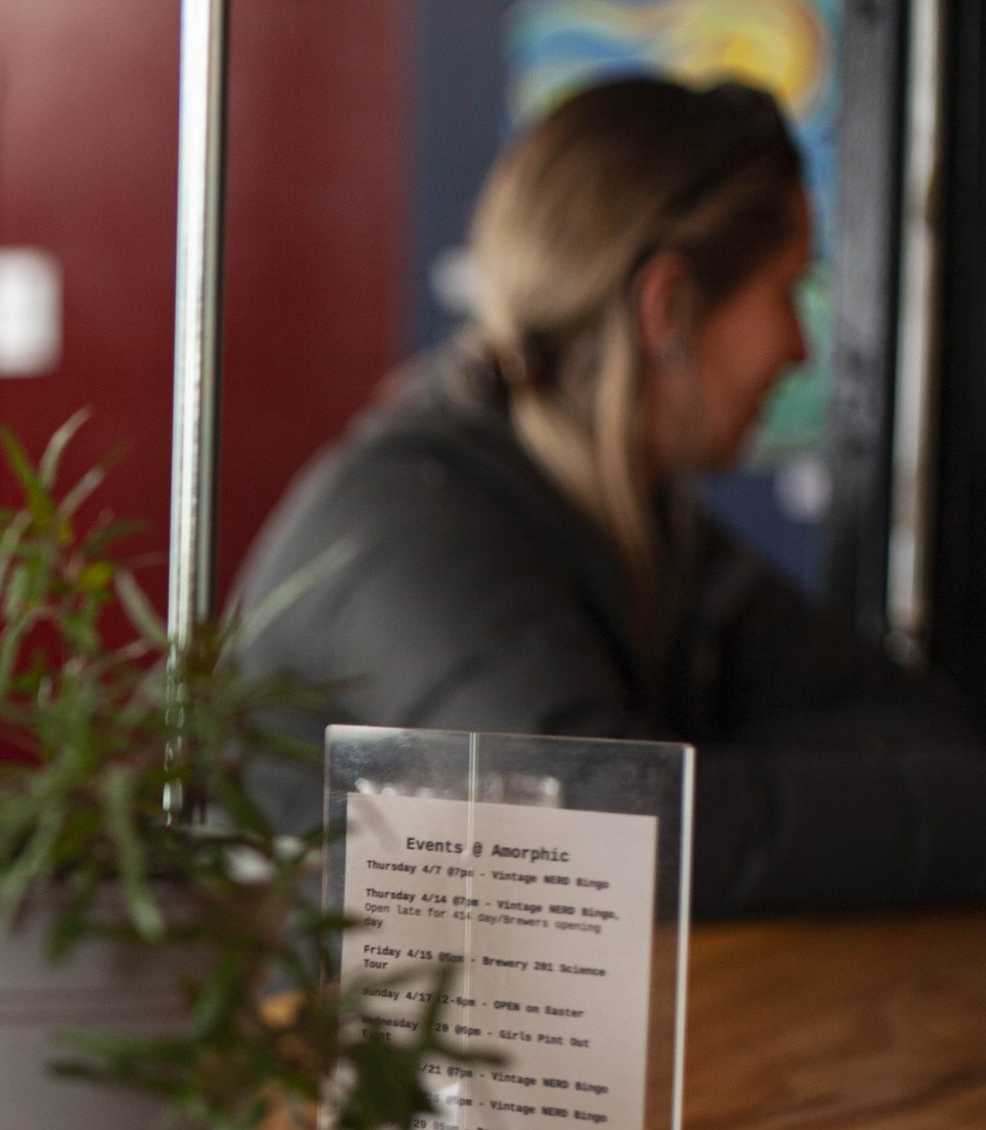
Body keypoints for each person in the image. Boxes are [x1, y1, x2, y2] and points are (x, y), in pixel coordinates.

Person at [235, 76, 986, 916]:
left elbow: (909, 725)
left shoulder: (636, 515)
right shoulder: (403, 524)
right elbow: (603, 842)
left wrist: (713, 796)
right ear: (667, 308)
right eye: (787, 290)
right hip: (290, 1044)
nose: (800, 349)